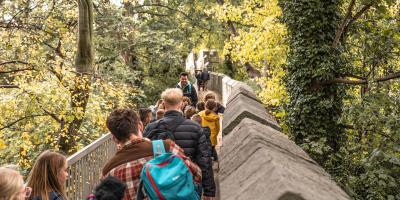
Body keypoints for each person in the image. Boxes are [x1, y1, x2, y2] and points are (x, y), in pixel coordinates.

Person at [102, 108, 202, 200]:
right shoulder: (165, 147)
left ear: (114, 138)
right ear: (140, 126)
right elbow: (197, 174)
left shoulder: (109, 172)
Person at [143, 88, 216, 198]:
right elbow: (204, 159)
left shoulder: (151, 128)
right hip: (188, 182)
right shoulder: (195, 127)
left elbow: (144, 158)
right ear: (181, 103)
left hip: (160, 184)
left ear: (163, 103)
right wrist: (208, 191)